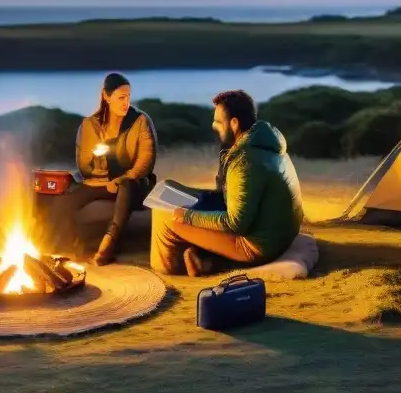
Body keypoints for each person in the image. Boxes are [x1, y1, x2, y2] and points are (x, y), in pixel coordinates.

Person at [150, 89, 304, 277]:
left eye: (218, 122)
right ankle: (202, 258)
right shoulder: (262, 143)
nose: (213, 126)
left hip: (256, 245)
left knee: (165, 215)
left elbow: (235, 224)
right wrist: (198, 197)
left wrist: (188, 216)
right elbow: (234, 196)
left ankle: (167, 271)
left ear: (234, 123)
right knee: (176, 189)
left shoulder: (245, 161)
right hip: (276, 234)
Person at [47, 72, 158, 264]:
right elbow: (83, 167)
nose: (126, 103)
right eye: (121, 98)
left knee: (127, 186)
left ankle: (108, 244)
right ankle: (74, 250)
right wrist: (100, 161)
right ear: (106, 96)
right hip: (97, 182)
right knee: (63, 202)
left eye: (128, 97)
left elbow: (146, 160)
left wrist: (121, 179)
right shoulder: (90, 125)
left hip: (131, 183)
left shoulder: (140, 121)